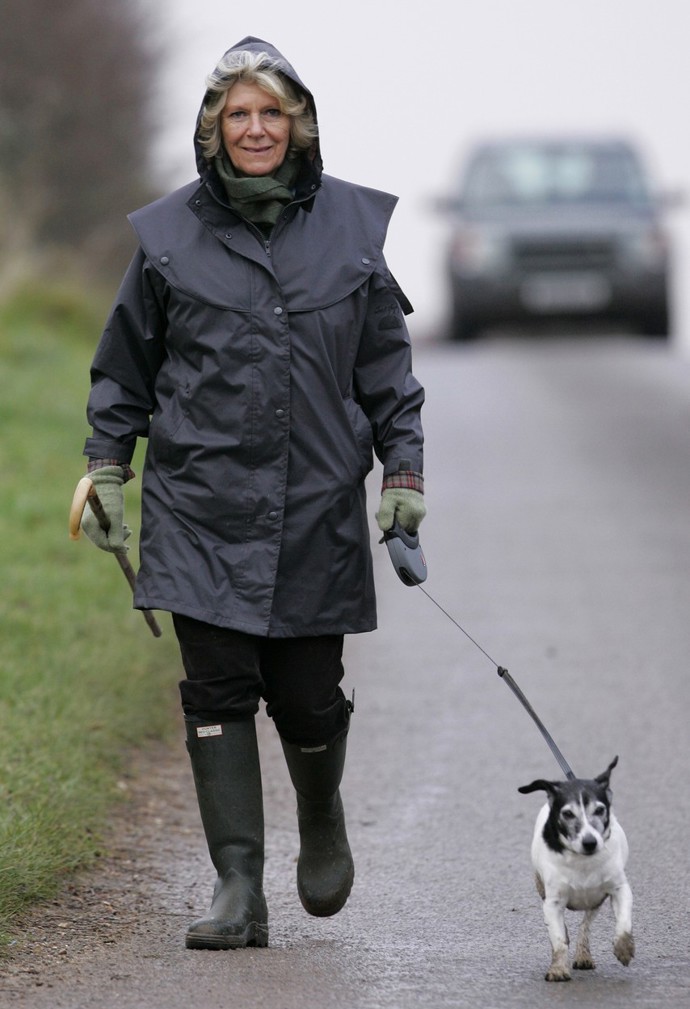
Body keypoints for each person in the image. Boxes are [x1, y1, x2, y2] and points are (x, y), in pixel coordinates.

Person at [76, 37, 426, 951]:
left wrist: (404, 478)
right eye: (240, 113)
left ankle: (322, 815)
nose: (258, 128)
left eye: (273, 112)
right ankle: (239, 885)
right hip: (201, 505)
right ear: (213, 129)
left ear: (299, 124)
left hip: (315, 506)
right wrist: (108, 468)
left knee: (309, 695)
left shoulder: (353, 230)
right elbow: (123, 372)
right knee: (216, 687)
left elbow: (388, 373)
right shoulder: (165, 239)